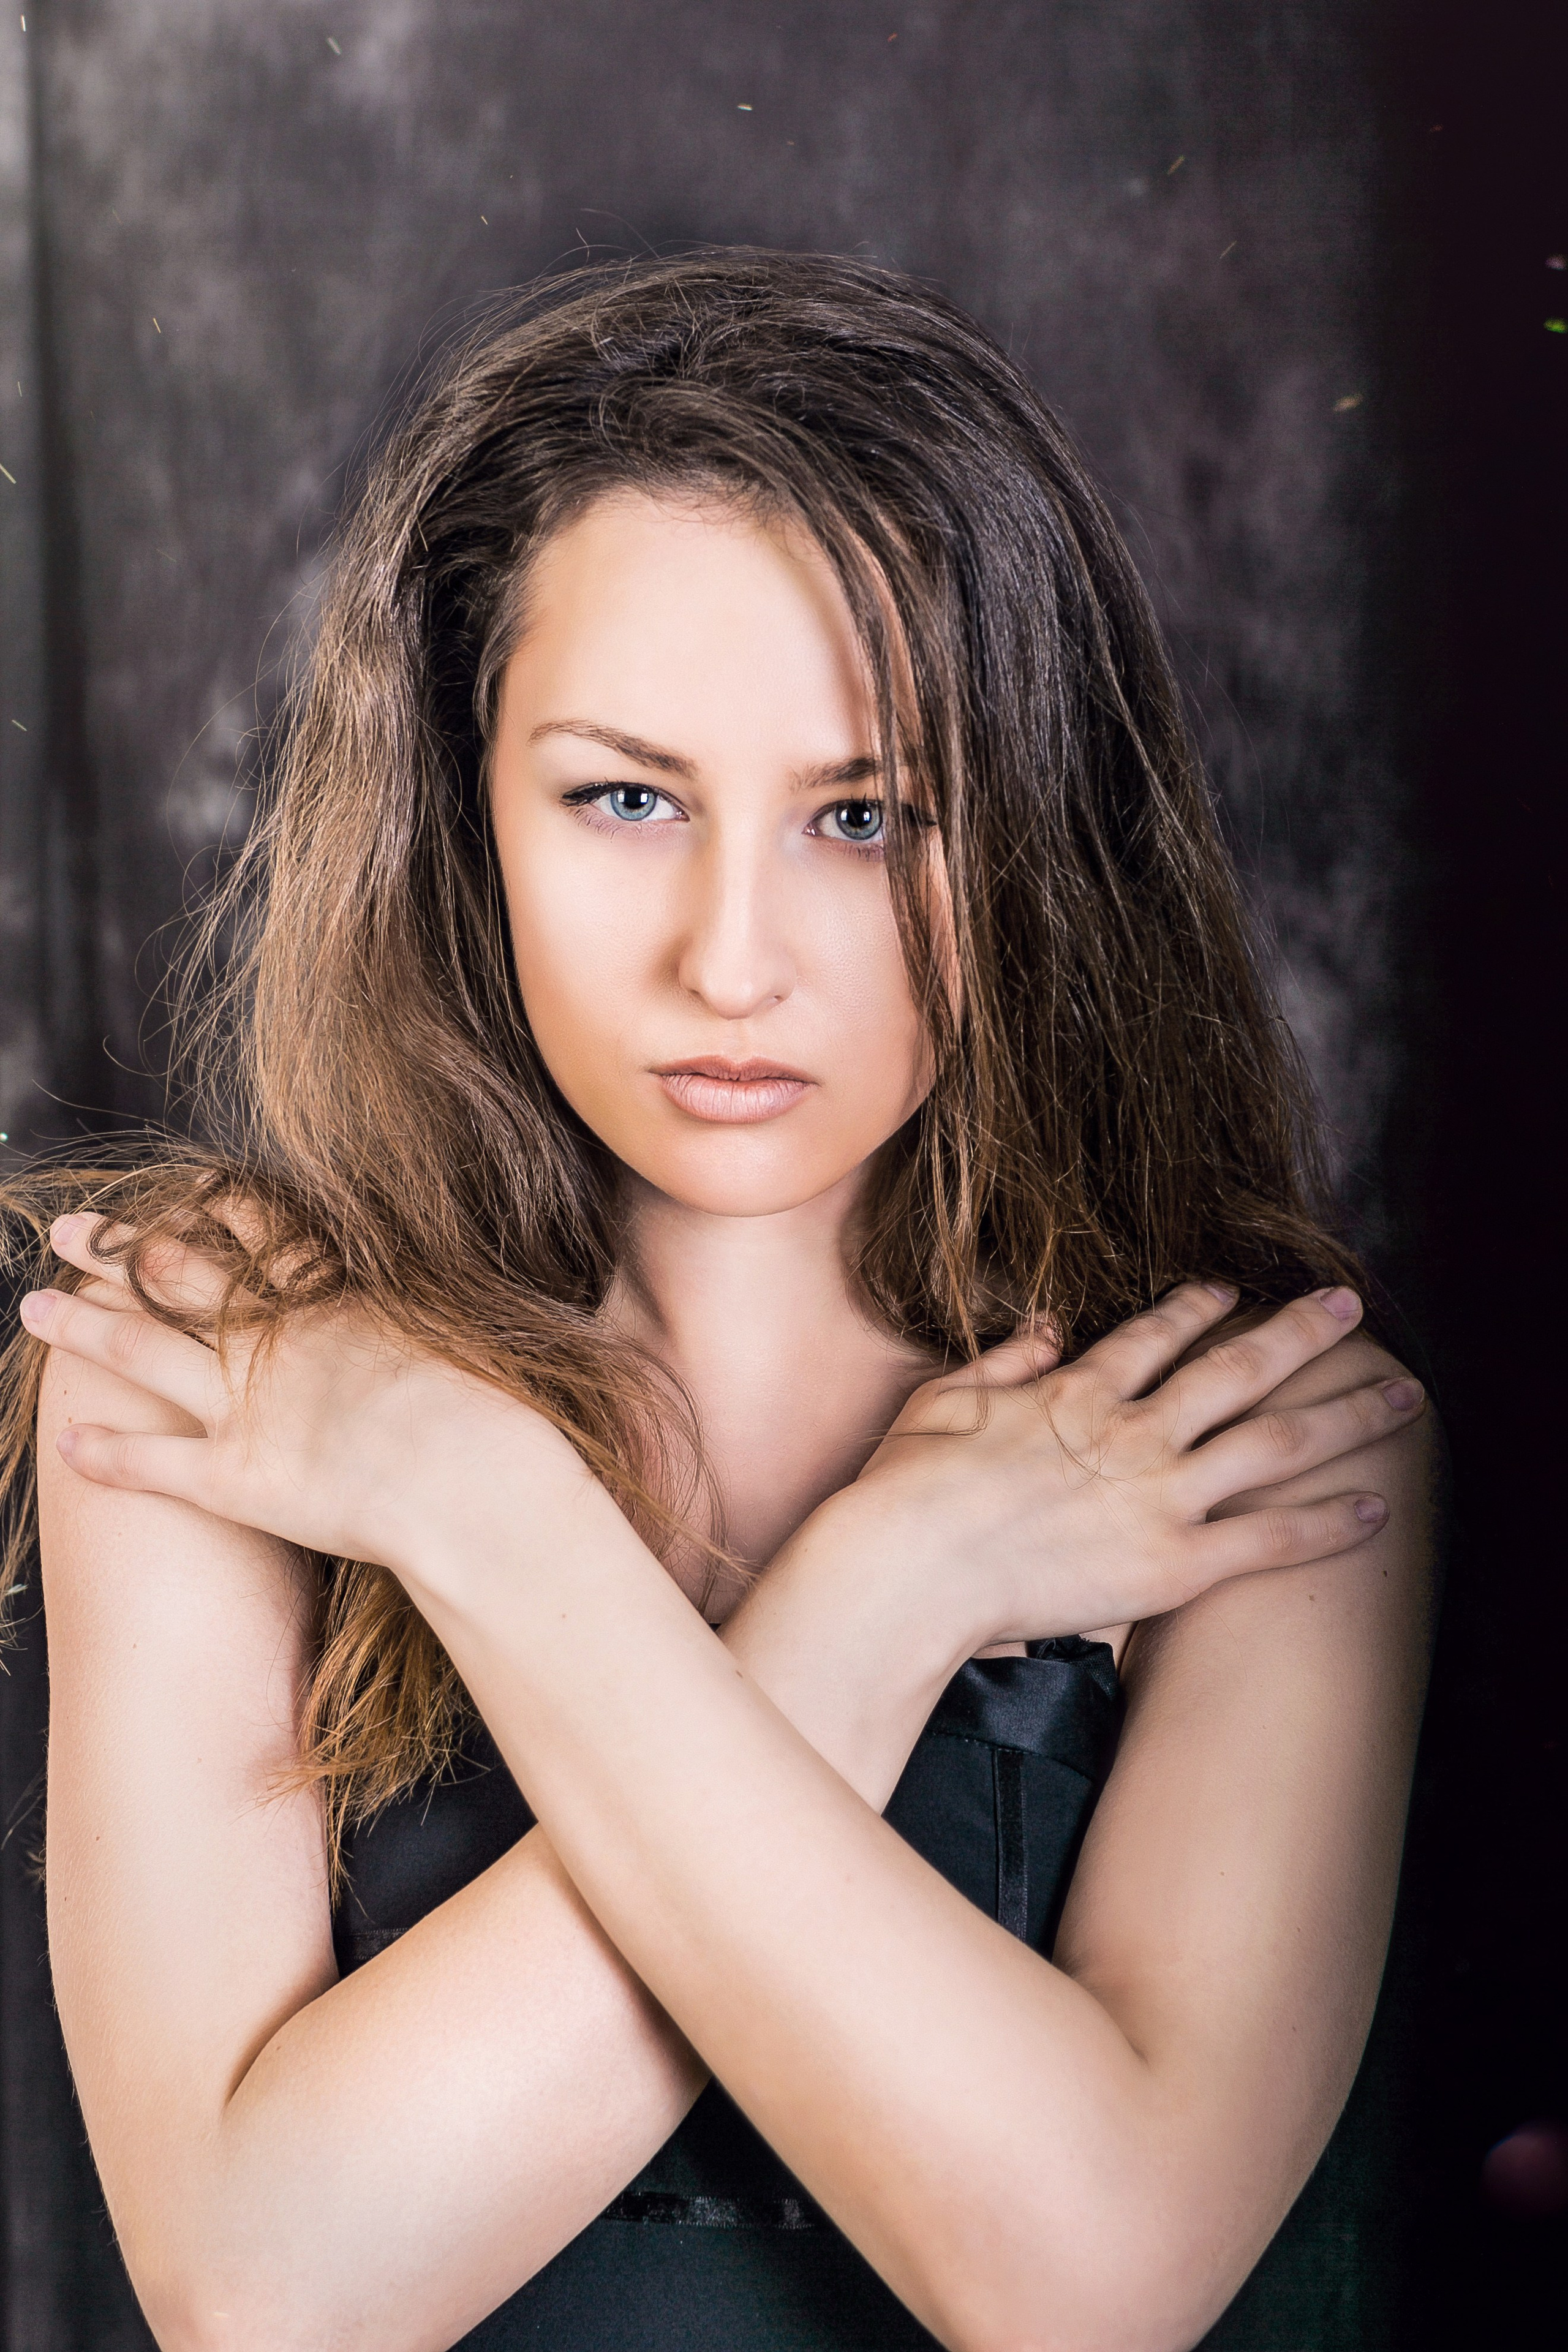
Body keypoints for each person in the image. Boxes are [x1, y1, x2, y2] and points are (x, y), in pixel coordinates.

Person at [0, 251, 1434, 2352]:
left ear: (1033, 827)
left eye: (866, 817)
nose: (733, 960)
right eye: (627, 798)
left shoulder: (1245, 1428)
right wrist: (881, 1600)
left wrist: (480, 1514)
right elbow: (266, 2291)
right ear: (459, 809)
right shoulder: (230, 1353)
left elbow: (1080, 2282)